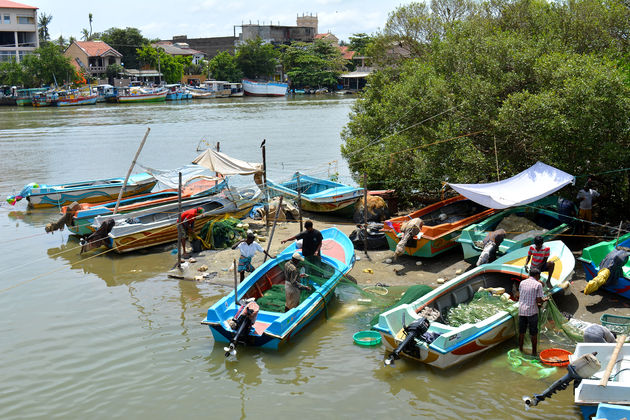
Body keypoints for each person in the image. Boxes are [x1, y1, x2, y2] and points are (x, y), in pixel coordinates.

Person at [517, 267, 548, 356]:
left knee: (522, 332)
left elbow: (522, 295)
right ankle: (534, 352)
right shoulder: (538, 285)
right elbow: (538, 300)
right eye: (539, 276)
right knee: (533, 333)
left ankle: (520, 349)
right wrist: (544, 300)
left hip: (522, 311)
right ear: (537, 275)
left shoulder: (522, 282)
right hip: (532, 312)